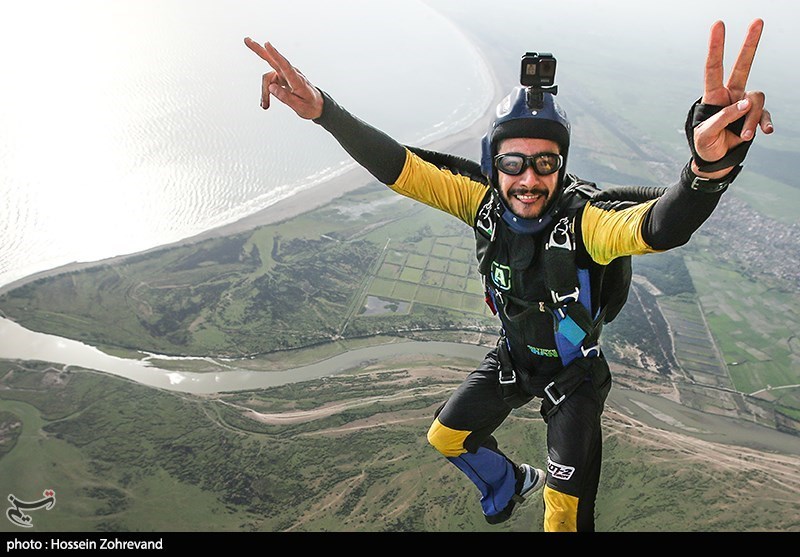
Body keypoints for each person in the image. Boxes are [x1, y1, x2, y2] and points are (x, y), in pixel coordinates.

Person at [243, 18, 772, 531]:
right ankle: (509, 482)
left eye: (546, 163)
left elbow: (659, 227)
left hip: (575, 375)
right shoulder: (480, 202)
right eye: (513, 163)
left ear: (562, 167)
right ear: (492, 164)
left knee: (562, 515)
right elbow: (399, 167)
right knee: (446, 437)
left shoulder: (587, 223)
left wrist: (707, 171)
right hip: (515, 358)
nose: (528, 179)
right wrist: (323, 111)